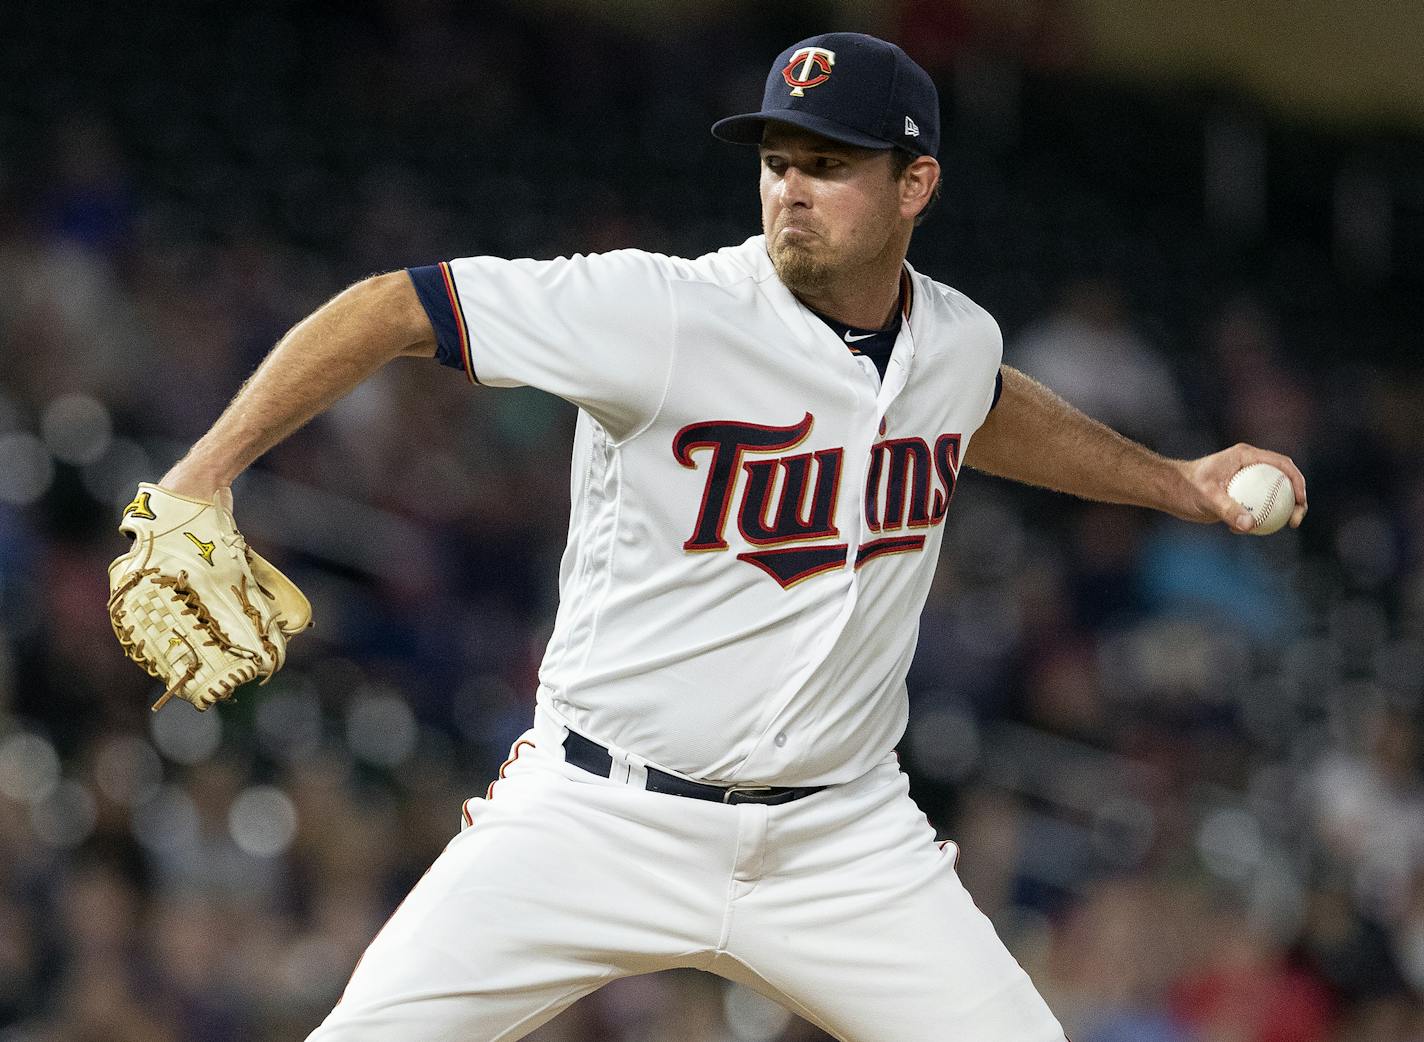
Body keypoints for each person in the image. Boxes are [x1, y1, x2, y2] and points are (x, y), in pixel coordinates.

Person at [153, 32, 1306, 1042]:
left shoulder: (954, 340)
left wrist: (1175, 483)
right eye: (776, 161)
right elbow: (395, 305)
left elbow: (982, 406)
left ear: (916, 184)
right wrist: (202, 476)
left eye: (830, 164)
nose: (791, 188)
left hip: (841, 839)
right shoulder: (659, 312)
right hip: (597, 811)